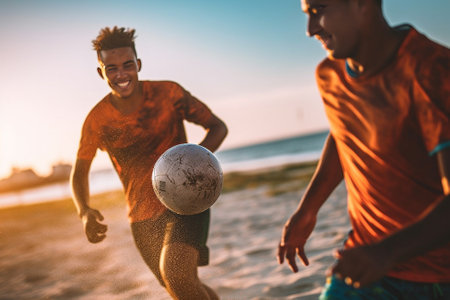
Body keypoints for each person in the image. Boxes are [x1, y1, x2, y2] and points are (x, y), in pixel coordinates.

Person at [277, 0, 450, 299]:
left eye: (319, 9)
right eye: (307, 14)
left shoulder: (430, 70)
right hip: (364, 264)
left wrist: (387, 253)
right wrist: (308, 209)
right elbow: (345, 133)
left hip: (434, 277)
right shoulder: (329, 75)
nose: (310, 29)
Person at [71, 26, 227, 300]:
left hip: (186, 201)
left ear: (138, 64)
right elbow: (80, 170)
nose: (121, 74)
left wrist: (193, 164)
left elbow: (217, 127)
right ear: (101, 72)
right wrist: (84, 210)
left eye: (128, 65)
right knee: (184, 287)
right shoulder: (98, 119)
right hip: (142, 218)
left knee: (178, 277)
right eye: (112, 68)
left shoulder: (168, 93)